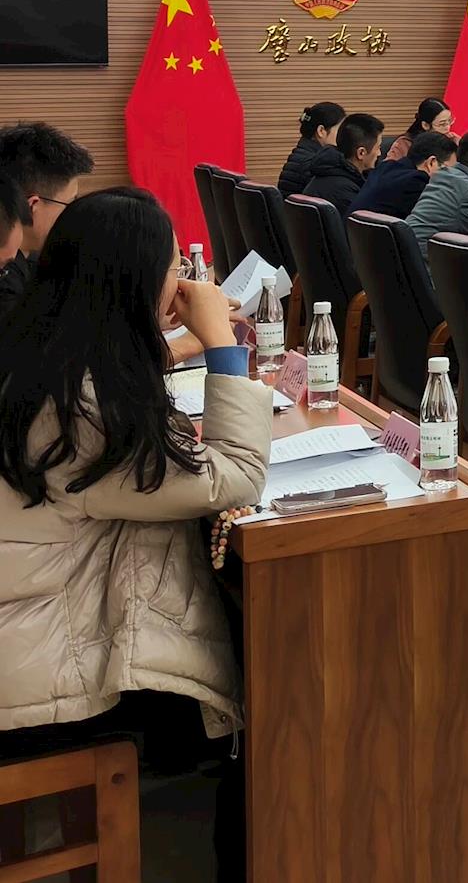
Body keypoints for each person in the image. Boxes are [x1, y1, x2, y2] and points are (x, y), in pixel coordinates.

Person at [0, 187, 270, 883]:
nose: (183, 281)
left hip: (24, 620)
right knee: (259, 708)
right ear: (132, 283)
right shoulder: (81, 407)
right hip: (31, 667)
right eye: (173, 266)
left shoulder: (40, 353)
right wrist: (222, 346)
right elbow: (237, 474)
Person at [0, 122, 95, 319]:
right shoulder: (5, 280)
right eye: (69, 204)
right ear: (32, 206)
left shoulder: (38, 257)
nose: (73, 215)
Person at [349, 131, 455, 219]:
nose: (452, 176)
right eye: (448, 169)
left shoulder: (386, 167)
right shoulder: (416, 182)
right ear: (432, 162)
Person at [299, 112, 384, 212]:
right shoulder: (344, 192)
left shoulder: (331, 172)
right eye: (378, 147)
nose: (379, 153)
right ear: (361, 153)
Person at [275, 100, 345, 197]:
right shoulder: (315, 164)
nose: (344, 136)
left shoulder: (302, 154)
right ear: (321, 131)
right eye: (340, 130)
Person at [382, 97, 454, 163]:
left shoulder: (452, 141)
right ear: (425, 125)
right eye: (442, 124)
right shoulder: (405, 144)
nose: (448, 127)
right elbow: (388, 169)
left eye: (450, 121)